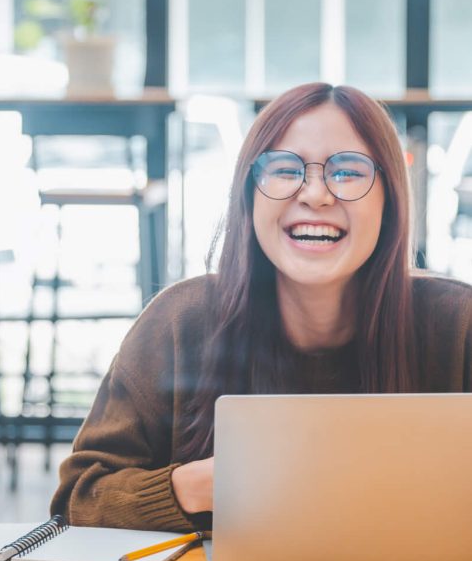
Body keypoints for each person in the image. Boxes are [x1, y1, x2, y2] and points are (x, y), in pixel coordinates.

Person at [50, 82, 472, 532]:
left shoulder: (457, 324)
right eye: (285, 169)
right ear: (248, 196)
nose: (316, 195)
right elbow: (76, 502)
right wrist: (194, 486)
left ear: (390, 202)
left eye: (348, 172)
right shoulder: (180, 322)